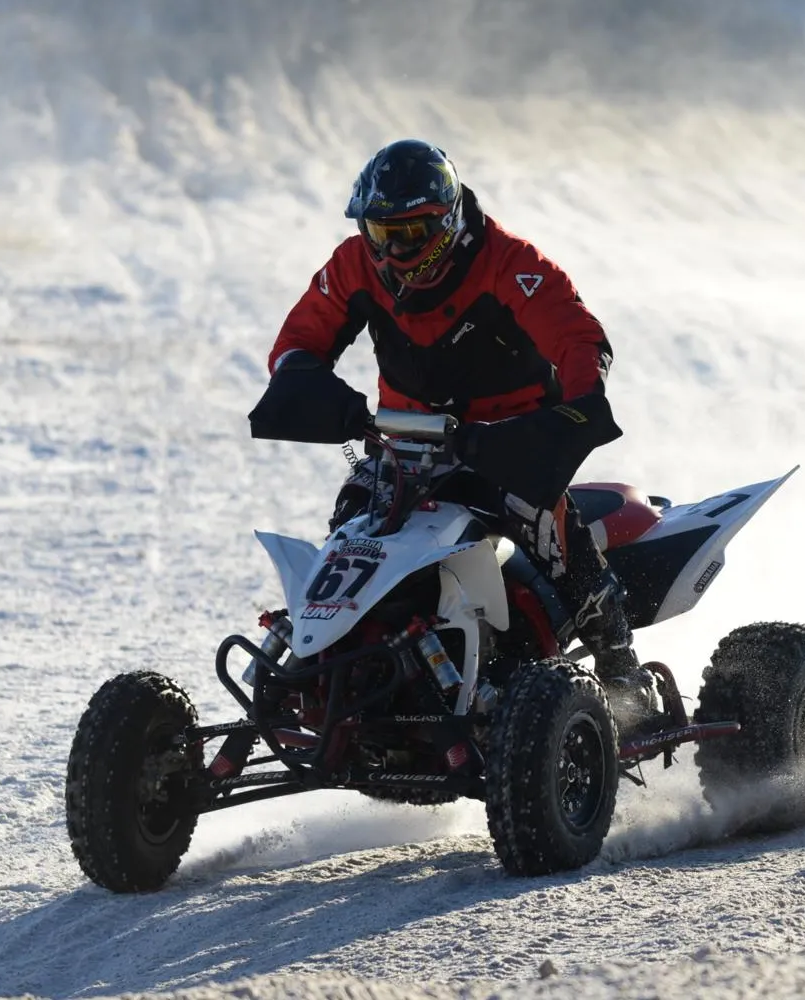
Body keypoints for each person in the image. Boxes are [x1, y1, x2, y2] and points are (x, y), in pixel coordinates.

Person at [247, 139, 660, 729]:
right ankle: (345, 668)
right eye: (379, 230)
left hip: (510, 443)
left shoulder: (509, 262)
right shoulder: (354, 264)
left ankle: (624, 677)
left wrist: (579, 404)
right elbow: (295, 343)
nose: (392, 248)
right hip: (402, 443)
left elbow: (578, 338)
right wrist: (320, 394)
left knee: (554, 538)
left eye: (409, 232)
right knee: (354, 521)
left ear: (446, 223)